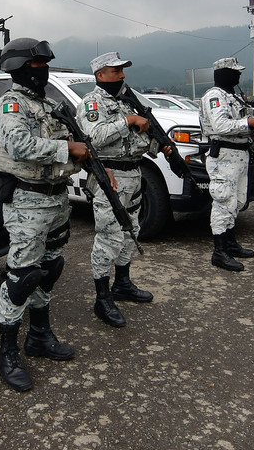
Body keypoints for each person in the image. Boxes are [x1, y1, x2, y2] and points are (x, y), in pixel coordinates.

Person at [0, 37, 89, 392]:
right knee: (22, 277)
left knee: (49, 270)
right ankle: (8, 351)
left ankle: (40, 335)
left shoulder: (48, 105)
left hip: (57, 198)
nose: (43, 70)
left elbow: (79, 145)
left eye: (44, 64)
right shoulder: (9, 106)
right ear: (19, 67)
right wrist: (68, 148)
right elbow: (19, 145)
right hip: (26, 202)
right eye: (37, 64)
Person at [78, 52, 171, 328]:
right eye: (115, 71)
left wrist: (158, 145)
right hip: (110, 177)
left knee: (131, 231)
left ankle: (122, 283)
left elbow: (138, 140)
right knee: (108, 237)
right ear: (100, 75)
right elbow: (94, 137)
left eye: (122, 70)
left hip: (133, 174)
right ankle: (102, 297)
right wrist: (128, 121)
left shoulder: (127, 102)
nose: (122, 75)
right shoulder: (92, 103)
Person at [199, 57, 254, 271]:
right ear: (223, 73)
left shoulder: (233, 96)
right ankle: (219, 252)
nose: (239, 75)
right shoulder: (214, 96)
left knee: (237, 202)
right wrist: (248, 123)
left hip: (240, 155)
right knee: (223, 202)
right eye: (235, 72)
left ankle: (230, 243)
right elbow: (220, 125)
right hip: (224, 156)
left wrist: (253, 135)